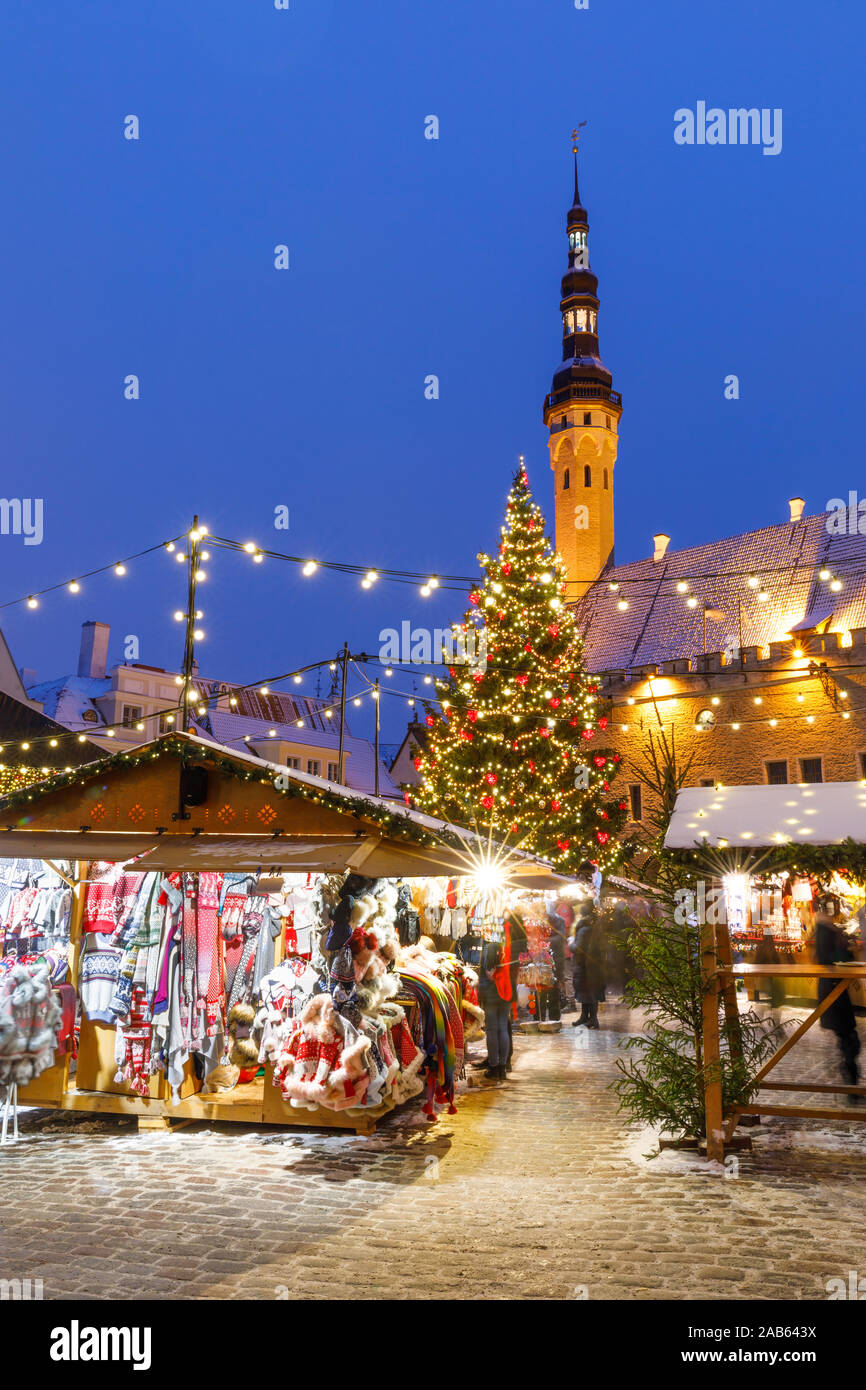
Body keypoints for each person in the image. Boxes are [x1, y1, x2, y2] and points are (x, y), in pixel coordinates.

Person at [815, 894, 862, 1095]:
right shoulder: (825, 930)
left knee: (847, 1036)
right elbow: (828, 957)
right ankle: (850, 1078)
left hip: (835, 987)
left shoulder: (827, 929)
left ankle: (851, 1077)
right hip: (833, 988)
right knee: (849, 1036)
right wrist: (847, 952)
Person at [570, 902, 606, 1029]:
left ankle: (592, 1019)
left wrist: (570, 944)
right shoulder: (596, 924)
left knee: (588, 992)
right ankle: (586, 1017)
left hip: (585, 965)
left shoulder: (584, 928)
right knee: (590, 992)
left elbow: (578, 948)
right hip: (594, 964)